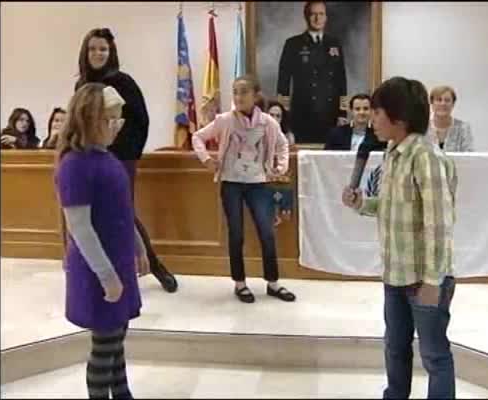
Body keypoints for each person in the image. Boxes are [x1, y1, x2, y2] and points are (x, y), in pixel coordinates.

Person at [344, 77, 458, 399]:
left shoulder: (426, 157)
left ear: (399, 117)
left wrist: (433, 281)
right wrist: (361, 204)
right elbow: (391, 205)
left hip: (425, 278)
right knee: (395, 347)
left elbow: (440, 223)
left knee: (434, 355)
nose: (370, 119)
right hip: (395, 274)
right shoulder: (393, 150)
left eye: (377, 111)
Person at [55, 83, 148, 399]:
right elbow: (80, 229)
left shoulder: (107, 158)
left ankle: (122, 393)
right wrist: (107, 276)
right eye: (110, 120)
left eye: (119, 120)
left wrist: (139, 245)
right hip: (98, 269)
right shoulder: (75, 166)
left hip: (118, 260)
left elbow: (123, 209)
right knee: (104, 345)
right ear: (88, 119)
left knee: (117, 337)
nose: (116, 128)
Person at [75, 27, 178, 293]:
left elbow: (140, 122)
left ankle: (154, 265)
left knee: (124, 213)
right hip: (89, 161)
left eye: (103, 49)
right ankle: (104, 271)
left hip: (119, 159)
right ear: (85, 52)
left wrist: (124, 153)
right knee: (95, 215)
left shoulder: (123, 82)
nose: (98, 53)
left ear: (111, 53)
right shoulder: (81, 85)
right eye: (93, 48)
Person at [192, 74, 296, 304]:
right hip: (231, 184)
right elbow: (197, 137)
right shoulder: (225, 120)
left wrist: (281, 166)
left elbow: (282, 144)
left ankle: (273, 283)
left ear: (256, 95)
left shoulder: (268, 122)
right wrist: (207, 160)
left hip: (257, 183)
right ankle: (240, 283)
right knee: (236, 233)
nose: (238, 97)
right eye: (235, 92)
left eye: (244, 92)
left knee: (267, 232)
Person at [277, 1, 347, 144]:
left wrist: (342, 112)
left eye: (321, 14)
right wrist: (284, 115)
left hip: (330, 114)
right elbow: (283, 81)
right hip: (303, 113)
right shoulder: (293, 44)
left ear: (326, 17)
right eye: (313, 14)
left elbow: (341, 79)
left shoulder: (334, 43)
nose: (317, 18)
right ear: (306, 17)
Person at [426, 85, 474, 151]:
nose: (443, 103)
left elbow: (469, 156)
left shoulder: (463, 128)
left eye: (447, 100)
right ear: (431, 103)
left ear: (453, 104)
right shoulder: (424, 128)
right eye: (439, 100)